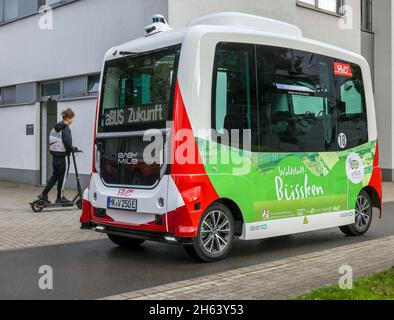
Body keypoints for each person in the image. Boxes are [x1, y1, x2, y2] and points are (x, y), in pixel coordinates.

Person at [38, 108, 78, 204]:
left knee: (55, 176)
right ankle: (60, 198)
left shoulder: (54, 128)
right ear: (68, 118)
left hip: (55, 157)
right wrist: (73, 148)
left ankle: (44, 194)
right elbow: (67, 142)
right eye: (72, 118)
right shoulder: (65, 128)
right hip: (63, 157)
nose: (72, 120)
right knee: (62, 178)